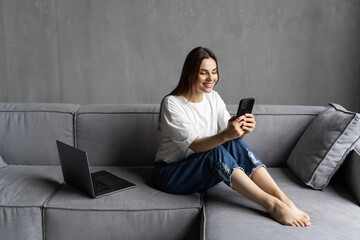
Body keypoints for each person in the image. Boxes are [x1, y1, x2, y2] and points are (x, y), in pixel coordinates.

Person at [153, 47, 311, 227]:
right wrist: (227, 134)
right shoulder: (172, 103)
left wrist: (241, 129)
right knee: (216, 151)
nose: (211, 78)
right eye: (203, 73)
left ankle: (283, 199)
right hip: (169, 174)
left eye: (214, 72)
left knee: (232, 143)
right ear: (190, 74)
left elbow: (229, 136)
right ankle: (271, 204)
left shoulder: (213, 97)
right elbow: (196, 146)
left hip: (201, 169)